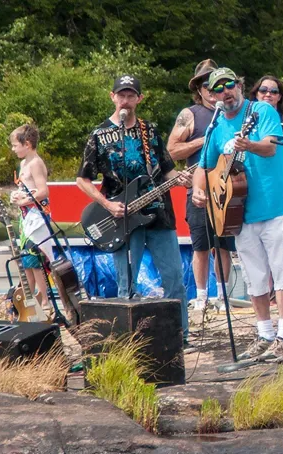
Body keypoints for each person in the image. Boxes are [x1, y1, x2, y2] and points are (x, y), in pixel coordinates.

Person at [192, 67, 283, 362]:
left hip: (277, 203)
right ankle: (264, 334)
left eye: (230, 85)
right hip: (240, 211)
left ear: (240, 86)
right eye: (218, 89)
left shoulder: (261, 111)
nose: (225, 92)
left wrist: (249, 145)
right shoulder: (216, 129)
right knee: (255, 276)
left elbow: (271, 148)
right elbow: (204, 167)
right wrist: (200, 191)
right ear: (211, 95)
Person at [76, 74, 192, 344]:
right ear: (112, 97)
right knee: (126, 283)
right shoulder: (99, 135)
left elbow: (166, 170)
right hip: (121, 219)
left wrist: (181, 179)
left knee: (174, 278)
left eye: (131, 95)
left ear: (139, 99)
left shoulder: (149, 131)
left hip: (159, 214)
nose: (125, 100)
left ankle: (179, 336)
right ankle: (128, 339)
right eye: (121, 95)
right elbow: (82, 179)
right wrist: (107, 204)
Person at [167, 59, 234, 312]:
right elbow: (172, 150)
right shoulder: (190, 114)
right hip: (199, 187)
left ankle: (224, 296)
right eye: (205, 84)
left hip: (228, 186)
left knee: (225, 245)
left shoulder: (230, 111)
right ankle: (202, 297)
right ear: (198, 88)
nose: (209, 88)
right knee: (201, 245)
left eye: (213, 83)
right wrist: (205, 141)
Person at [9, 123, 54, 310]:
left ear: (27, 144)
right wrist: (16, 195)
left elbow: (43, 191)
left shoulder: (36, 163)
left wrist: (25, 201)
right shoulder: (23, 163)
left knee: (36, 260)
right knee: (26, 260)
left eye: (15, 145)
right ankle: (30, 299)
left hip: (37, 217)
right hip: (25, 218)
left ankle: (45, 301)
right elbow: (25, 188)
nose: (13, 149)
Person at [249, 75, 283, 142]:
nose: (268, 94)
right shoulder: (248, 118)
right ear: (256, 94)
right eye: (263, 90)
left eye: (274, 91)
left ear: (279, 97)